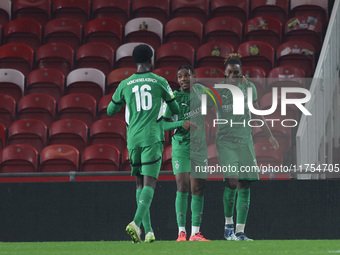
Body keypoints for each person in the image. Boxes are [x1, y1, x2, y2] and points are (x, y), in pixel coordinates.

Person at [107, 44, 193, 243]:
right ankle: (136, 223)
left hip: (133, 139)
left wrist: (122, 102)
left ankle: (148, 232)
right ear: (151, 59)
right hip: (152, 138)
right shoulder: (160, 81)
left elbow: (111, 111)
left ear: (135, 61)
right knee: (150, 183)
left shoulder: (125, 84)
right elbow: (174, 108)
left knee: (139, 183)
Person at [215, 53, 279, 241]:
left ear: (242, 73)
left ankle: (240, 232)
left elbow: (257, 112)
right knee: (232, 180)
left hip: (245, 141)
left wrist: (270, 136)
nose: (233, 76)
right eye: (230, 73)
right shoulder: (218, 90)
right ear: (225, 74)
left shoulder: (250, 88)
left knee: (244, 183)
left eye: (236, 73)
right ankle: (228, 227)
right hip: (226, 142)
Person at [163, 65, 213, 242]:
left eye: (187, 75)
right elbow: (161, 124)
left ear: (194, 76)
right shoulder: (173, 99)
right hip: (181, 146)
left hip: (199, 147)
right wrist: (180, 124)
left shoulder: (202, 93)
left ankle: (195, 233)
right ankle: (181, 232)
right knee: (182, 186)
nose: (183, 79)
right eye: (180, 76)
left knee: (198, 188)